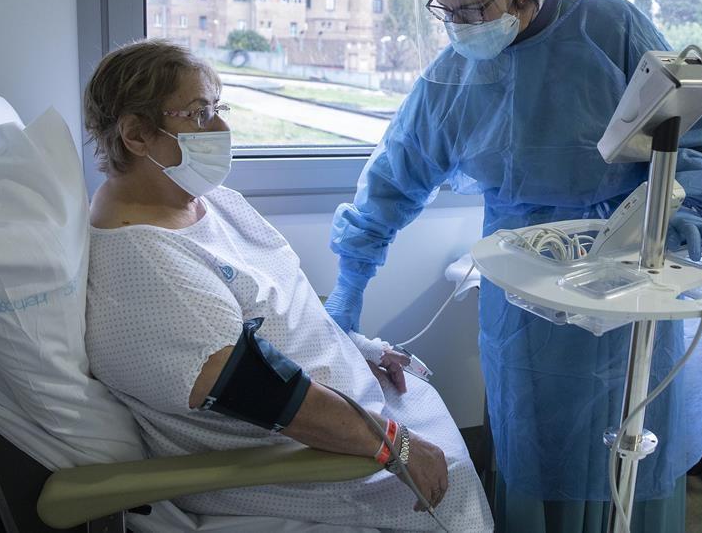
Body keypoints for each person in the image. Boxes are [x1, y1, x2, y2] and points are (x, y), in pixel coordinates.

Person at [326, 0, 702, 531]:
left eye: (475, 8)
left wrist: (695, 211)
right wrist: (349, 290)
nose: (462, 25)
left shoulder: (609, 27)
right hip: (519, 281)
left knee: (630, 425)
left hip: (628, 257)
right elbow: (393, 177)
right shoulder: (451, 76)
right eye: (449, 10)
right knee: (533, 431)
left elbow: (694, 134)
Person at [81, 39, 492, 531]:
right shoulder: (146, 266)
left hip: (353, 411)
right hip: (302, 464)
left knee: (445, 438)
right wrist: (397, 444)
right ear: (136, 134)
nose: (222, 128)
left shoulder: (204, 201)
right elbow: (270, 395)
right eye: (198, 114)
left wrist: (355, 347)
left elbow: (278, 305)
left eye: (218, 108)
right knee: (453, 485)